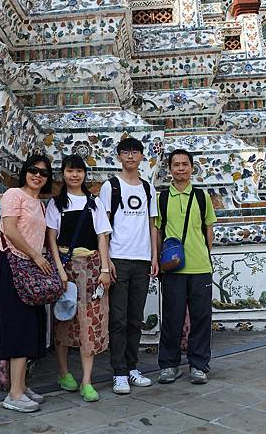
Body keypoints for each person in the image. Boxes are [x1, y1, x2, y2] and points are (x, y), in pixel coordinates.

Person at [46, 154, 111, 403]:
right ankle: (63, 373)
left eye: (79, 171)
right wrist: (60, 271)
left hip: (92, 268)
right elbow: (51, 238)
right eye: (70, 171)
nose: (75, 175)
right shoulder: (56, 203)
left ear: (85, 174)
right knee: (65, 319)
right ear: (63, 174)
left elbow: (102, 238)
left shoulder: (93, 203)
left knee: (90, 322)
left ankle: (87, 380)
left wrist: (105, 269)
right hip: (66, 268)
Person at [0, 154, 53, 413]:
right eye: (33, 170)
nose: (37, 175)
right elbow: (10, 230)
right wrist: (36, 255)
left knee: (31, 326)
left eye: (43, 172)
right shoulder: (13, 195)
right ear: (25, 172)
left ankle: (21, 385)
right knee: (18, 325)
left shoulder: (40, 205)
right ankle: (13, 394)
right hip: (11, 264)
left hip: (30, 269)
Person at [99, 137, 159, 395]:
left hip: (142, 259)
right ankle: (119, 372)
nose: (131, 156)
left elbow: (152, 224)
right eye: (126, 152)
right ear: (119, 156)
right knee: (119, 319)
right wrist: (106, 261)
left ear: (142, 156)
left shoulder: (148, 188)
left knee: (136, 318)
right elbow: (103, 228)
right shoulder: (110, 186)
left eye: (135, 152)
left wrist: (154, 256)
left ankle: (132, 368)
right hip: (119, 259)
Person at [156, 149, 217, 385]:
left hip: (200, 267)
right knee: (173, 317)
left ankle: (199, 365)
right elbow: (158, 230)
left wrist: (203, 253)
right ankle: (169, 365)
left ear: (192, 168)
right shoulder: (163, 198)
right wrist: (159, 261)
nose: (180, 169)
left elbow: (209, 229)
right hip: (173, 269)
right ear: (169, 169)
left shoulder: (202, 197)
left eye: (184, 164)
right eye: (176, 165)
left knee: (202, 317)